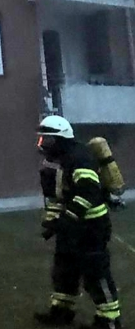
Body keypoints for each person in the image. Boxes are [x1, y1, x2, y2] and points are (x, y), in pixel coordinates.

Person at [35, 115, 122, 329]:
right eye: (41, 139)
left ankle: (109, 320)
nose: (43, 144)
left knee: (95, 274)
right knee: (64, 270)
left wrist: (69, 218)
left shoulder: (79, 158)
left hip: (91, 227)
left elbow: (88, 192)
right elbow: (57, 197)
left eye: (47, 139)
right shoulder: (55, 161)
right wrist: (51, 221)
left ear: (61, 139)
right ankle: (62, 311)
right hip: (70, 227)